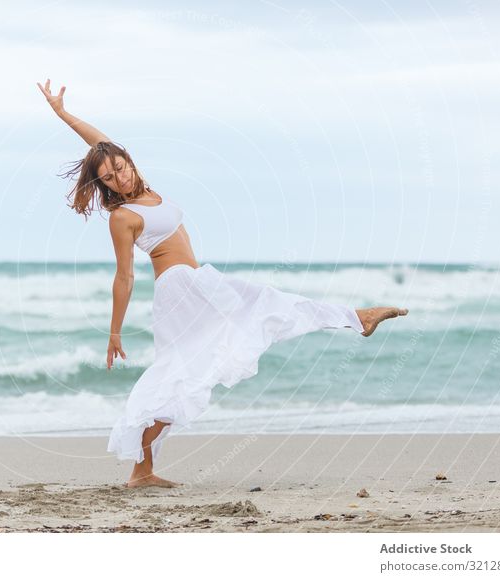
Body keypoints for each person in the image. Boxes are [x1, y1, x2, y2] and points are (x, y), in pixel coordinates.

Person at [37, 79, 408, 489]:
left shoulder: (145, 189)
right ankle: (356, 317)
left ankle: (141, 473)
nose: (118, 180)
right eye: (108, 179)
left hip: (191, 285)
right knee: (247, 316)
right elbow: (123, 277)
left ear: (128, 160)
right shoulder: (122, 215)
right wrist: (114, 330)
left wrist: (62, 113)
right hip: (179, 289)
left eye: (119, 169)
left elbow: (100, 142)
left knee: (185, 373)